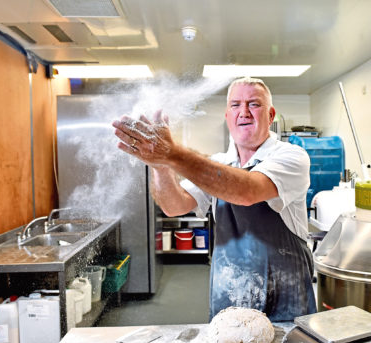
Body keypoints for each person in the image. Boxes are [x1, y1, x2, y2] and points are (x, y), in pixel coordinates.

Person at [112, 77, 317, 321]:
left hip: (286, 300)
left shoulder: (292, 157)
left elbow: (246, 191)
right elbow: (174, 206)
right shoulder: (219, 164)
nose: (244, 112)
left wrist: (173, 153)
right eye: (235, 105)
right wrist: (161, 166)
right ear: (227, 116)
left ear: (271, 115)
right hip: (230, 298)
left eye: (254, 104)